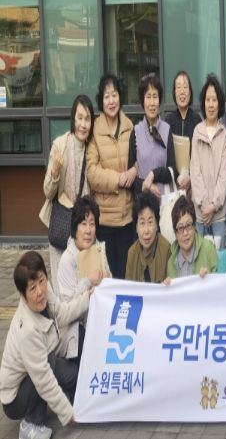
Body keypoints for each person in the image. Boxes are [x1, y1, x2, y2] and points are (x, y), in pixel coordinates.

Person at [0, 251, 92, 438]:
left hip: (44, 362)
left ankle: (66, 398)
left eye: (42, 281)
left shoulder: (44, 291)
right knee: (44, 372)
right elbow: (43, 379)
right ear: (23, 295)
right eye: (32, 288)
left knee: (72, 374)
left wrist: (87, 298)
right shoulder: (28, 330)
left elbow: (62, 314)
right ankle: (31, 424)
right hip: (15, 398)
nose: (40, 291)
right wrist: (67, 413)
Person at [40, 95, 94, 295]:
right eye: (79, 118)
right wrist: (54, 173)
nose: (83, 124)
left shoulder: (92, 149)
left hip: (82, 227)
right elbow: (48, 192)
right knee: (61, 288)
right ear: (73, 118)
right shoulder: (60, 145)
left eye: (87, 119)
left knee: (81, 285)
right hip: (62, 224)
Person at [87, 74, 136, 279]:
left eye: (114, 95)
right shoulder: (95, 129)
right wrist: (118, 179)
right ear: (101, 100)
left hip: (127, 217)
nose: (111, 101)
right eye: (107, 96)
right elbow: (92, 172)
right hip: (105, 220)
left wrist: (134, 170)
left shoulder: (129, 126)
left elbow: (138, 159)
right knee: (107, 278)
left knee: (125, 277)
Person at [56, 195, 109, 363]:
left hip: (99, 322)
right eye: (83, 224)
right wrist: (88, 282)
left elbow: (109, 288)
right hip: (76, 331)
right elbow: (67, 311)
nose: (88, 230)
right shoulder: (67, 260)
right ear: (75, 227)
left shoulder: (98, 249)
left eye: (92, 224)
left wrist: (108, 281)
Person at [190, 74, 226, 248]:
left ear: (219, 103)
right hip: (200, 214)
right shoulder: (197, 132)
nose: (211, 104)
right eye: (207, 100)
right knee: (200, 259)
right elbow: (195, 171)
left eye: (214, 100)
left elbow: (224, 175)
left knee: (220, 259)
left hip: (219, 215)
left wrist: (214, 205)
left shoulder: (225, 135)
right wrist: (205, 205)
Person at [128, 73, 177, 198]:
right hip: (143, 204)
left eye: (155, 97)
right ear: (142, 101)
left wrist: (153, 174)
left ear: (159, 101)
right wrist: (147, 185)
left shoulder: (166, 129)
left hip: (164, 202)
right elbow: (131, 176)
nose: (152, 102)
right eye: (148, 97)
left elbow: (172, 171)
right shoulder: (136, 132)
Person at [164, 70, 202, 192]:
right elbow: (166, 155)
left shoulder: (197, 120)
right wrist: (176, 177)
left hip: (193, 185)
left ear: (190, 92)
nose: (182, 91)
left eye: (185, 87)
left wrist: (190, 177)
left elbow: (200, 155)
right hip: (173, 184)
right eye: (178, 87)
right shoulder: (168, 121)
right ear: (174, 92)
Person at [166, 195, 218, 279]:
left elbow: (220, 280)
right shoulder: (171, 263)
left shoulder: (208, 248)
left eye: (188, 225)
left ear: (194, 226)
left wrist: (209, 278)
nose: (185, 233)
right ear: (175, 233)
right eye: (180, 228)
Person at [125, 189, 171, 283]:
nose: (146, 231)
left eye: (150, 222)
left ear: (157, 225)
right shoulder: (132, 253)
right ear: (136, 227)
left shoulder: (166, 249)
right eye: (142, 223)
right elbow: (128, 288)